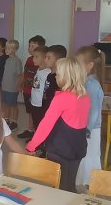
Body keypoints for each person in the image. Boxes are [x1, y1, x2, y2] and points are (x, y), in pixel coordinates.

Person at [26, 58, 90, 193]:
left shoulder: (62, 98)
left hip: (60, 148)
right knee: (69, 185)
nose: (55, 76)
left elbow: (45, 125)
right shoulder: (85, 97)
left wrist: (32, 145)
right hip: (78, 147)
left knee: (60, 187)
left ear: (66, 77)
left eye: (58, 74)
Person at [76, 46, 105, 189]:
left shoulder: (92, 85)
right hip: (87, 128)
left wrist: (86, 130)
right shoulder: (86, 81)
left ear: (90, 65)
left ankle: (90, 185)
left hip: (90, 130)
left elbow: (93, 112)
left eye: (78, 63)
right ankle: (84, 183)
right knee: (85, 156)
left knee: (89, 156)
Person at [18, 35, 46, 140]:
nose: (30, 48)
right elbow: (24, 73)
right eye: (29, 46)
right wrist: (20, 84)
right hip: (27, 90)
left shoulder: (43, 63)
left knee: (36, 113)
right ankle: (30, 130)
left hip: (36, 93)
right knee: (30, 112)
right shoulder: (29, 59)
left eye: (33, 46)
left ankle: (36, 132)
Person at [1, 39, 22, 132]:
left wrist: (19, 86)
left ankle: (14, 122)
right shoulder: (7, 60)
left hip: (12, 88)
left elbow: (20, 75)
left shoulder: (17, 61)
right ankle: (6, 120)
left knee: (13, 105)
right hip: (5, 87)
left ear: (15, 50)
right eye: (6, 48)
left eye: (9, 48)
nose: (6, 50)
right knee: (5, 104)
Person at [42, 45, 67, 113]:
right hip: (45, 107)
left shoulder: (60, 79)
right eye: (45, 57)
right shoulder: (49, 75)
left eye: (48, 58)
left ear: (58, 61)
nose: (45, 60)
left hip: (53, 110)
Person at [30, 46, 50, 131]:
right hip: (34, 102)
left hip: (41, 104)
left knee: (40, 124)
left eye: (36, 57)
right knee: (36, 123)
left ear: (45, 58)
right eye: (33, 56)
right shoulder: (38, 69)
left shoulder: (48, 72)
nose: (33, 59)